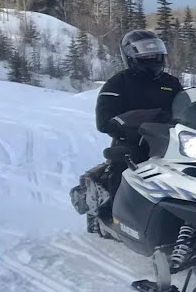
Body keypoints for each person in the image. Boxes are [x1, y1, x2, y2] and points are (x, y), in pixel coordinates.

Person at [76, 30, 181, 228]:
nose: (152, 58)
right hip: (133, 141)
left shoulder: (171, 83)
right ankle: (118, 219)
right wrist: (144, 118)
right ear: (131, 56)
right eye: (146, 55)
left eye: (155, 54)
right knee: (123, 167)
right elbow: (105, 121)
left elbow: (188, 105)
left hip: (171, 140)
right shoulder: (117, 84)